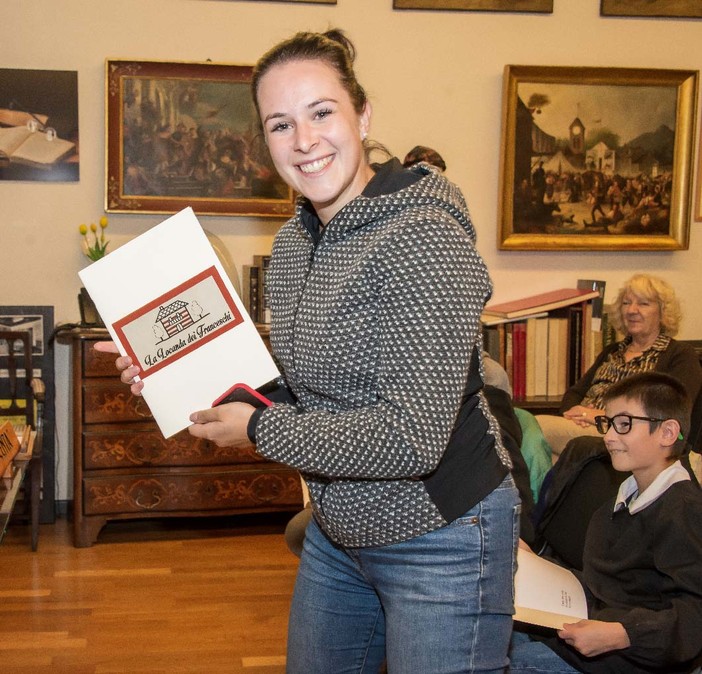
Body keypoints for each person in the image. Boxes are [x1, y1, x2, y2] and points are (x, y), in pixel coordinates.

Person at [96, 29, 519, 674]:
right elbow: (307, 388)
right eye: (279, 124)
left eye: (322, 112)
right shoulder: (295, 242)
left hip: (443, 533)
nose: (304, 140)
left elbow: (411, 439)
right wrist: (176, 372)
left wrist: (258, 428)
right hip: (340, 523)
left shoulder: (423, 235)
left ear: (363, 114)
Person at [509, 372, 702, 673]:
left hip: (633, 653)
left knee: (505, 662)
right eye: (608, 423)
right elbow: (611, 584)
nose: (609, 436)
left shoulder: (683, 509)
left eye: (624, 424)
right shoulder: (625, 495)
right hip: (596, 624)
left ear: (667, 433)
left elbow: (694, 616)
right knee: (494, 629)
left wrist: (622, 634)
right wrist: (540, 567)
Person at [535, 273, 702, 462]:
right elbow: (574, 393)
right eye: (626, 303)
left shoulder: (679, 354)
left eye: (643, 304)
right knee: (549, 456)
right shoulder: (613, 351)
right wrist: (578, 415)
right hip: (583, 426)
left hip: (627, 434)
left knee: (534, 427)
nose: (632, 310)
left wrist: (600, 416)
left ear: (663, 312)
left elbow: (671, 410)